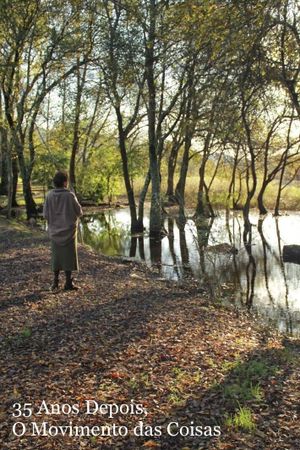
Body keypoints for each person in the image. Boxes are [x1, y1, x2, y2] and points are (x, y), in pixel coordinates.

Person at [43, 171, 83, 291]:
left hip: (54, 232)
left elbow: (45, 214)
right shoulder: (70, 195)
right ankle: (68, 283)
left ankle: (55, 282)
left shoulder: (49, 195)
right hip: (69, 232)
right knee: (68, 257)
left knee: (56, 257)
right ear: (65, 182)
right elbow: (80, 212)